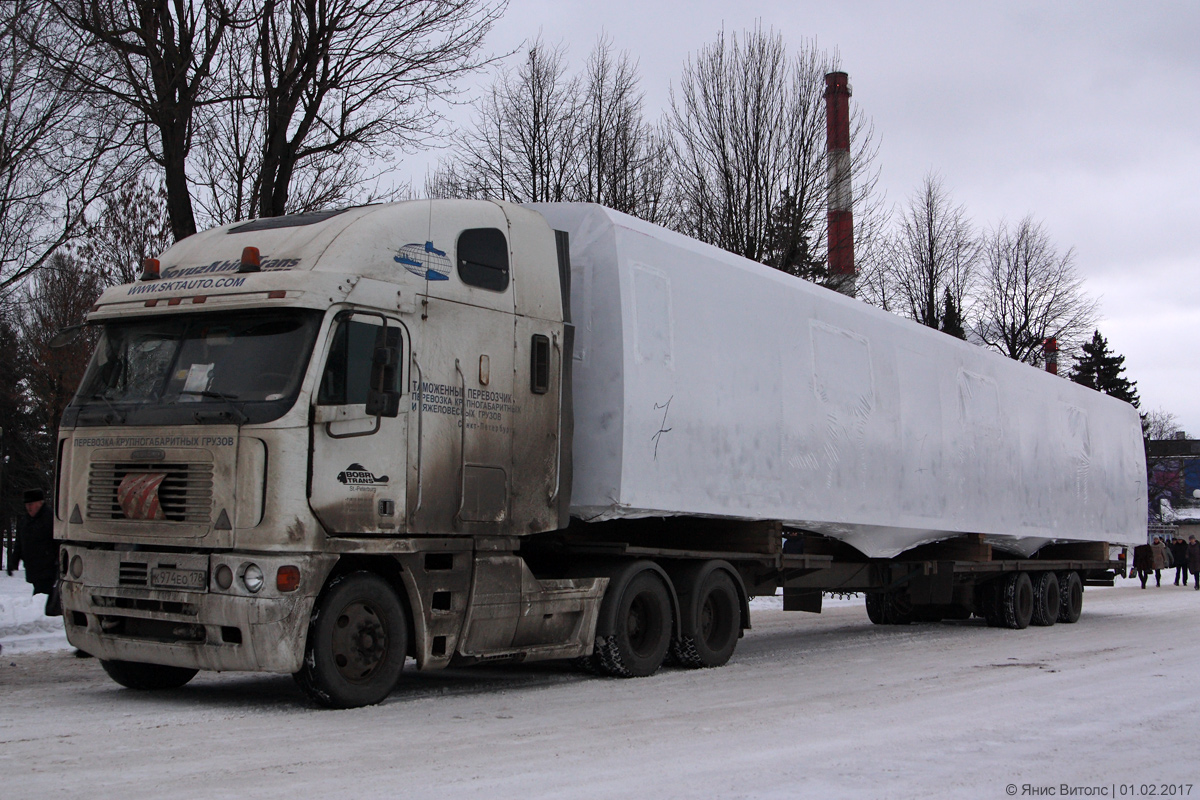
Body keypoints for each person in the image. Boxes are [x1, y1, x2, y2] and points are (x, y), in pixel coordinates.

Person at [7, 488, 59, 615]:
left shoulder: (51, 519)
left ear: (40, 503)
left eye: (31, 505)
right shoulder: (25, 521)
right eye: (26, 505)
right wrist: (13, 562)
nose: (28, 508)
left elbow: (58, 543)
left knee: (43, 598)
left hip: (48, 569)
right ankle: (43, 617)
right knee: (40, 598)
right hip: (34, 569)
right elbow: (19, 544)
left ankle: (44, 619)